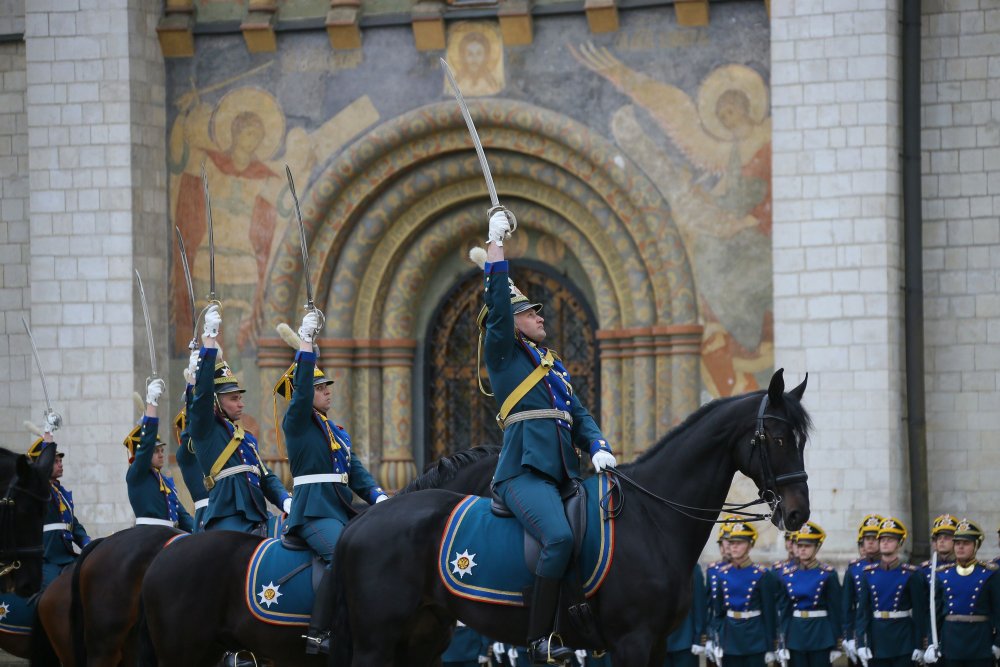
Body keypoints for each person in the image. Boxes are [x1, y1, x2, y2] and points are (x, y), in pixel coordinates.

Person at [477, 209, 616, 664]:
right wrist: (496, 246)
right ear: (514, 323)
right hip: (524, 472)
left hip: (562, 472)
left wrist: (597, 446)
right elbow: (496, 307)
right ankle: (540, 638)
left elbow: (577, 413)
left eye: (537, 311)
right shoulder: (502, 354)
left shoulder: (552, 365)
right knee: (557, 537)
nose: (539, 316)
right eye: (530, 312)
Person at [276, 311, 388, 654]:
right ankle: (318, 631)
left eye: (328, 387)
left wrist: (379, 497)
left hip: (340, 510)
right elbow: (302, 387)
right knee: (342, 555)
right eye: (320, 388)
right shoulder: (296, 423)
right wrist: (307, 344)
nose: (327, 393)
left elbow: (355, 472)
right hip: (313, 511)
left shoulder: (335, 432)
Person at [188, 304, 291, 534]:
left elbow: (265, 476)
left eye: (239, 398)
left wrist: (284, 500)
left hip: (258, 517)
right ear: (216, 402)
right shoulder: (205, 429)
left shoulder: (247, 440)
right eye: (233, 398)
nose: (240, 403)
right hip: (228, 518)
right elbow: (202, 394)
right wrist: (209, 345)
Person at [923, 519, 1000, 667]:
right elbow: (936, 613)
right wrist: (933, 642)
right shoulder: (942, 573)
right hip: (951, 641)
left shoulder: (989, 573)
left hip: (980, 641)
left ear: (976, 545)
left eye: (966, 543)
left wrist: (998, 642)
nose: (960, 547)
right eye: (957, 543)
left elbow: (998, 611)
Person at [855, 517, 928, 667]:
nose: (885, 543)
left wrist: (919, 644)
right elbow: (863, 611)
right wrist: (861, 643)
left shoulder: (911, 574)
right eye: (882, 539)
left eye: (890, 539)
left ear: (900, 543)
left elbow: (919, 612)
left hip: (903, 638)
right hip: (877, 638)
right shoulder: (868, 573)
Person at [124, 378, 194, 532]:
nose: (161, 455)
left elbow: (183, 516)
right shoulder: (137, 474)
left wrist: (203, 533)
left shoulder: (165, 482)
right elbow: (146, 445)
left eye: (162, 450)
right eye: (155, 451)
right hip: (147, 535)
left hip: (170, 534)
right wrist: (152, 404)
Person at [29, 416, 91, 589]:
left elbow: (72, 523)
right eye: (55, 461)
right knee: (49, 594)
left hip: (67, 555)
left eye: (60, 461)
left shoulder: (60, 492)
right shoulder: (38, 488)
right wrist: (48, 434)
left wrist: (86, 542)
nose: (60, 464)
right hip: (48, 557)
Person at [708, 521, 779, 667]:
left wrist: (771, 647)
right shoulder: (723, 574)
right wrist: (717, 640)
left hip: (755, 638)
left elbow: (769, 613)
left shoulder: (762, 575)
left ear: (750, 545)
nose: (733, 546)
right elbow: (719, 613)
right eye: (732, 542)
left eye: (739, 543)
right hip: (730, 639)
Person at [775, 522, 843, 667]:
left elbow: (835, 610)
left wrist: (837, 642)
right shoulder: (787, 575)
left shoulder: (828, 574)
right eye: (800, 545)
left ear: (816, 547)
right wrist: (782, 641)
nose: (803, 549)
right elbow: (785, 611)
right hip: (795, 634)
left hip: (821, 634)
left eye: (808, 546)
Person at [843, 514, 884, 665]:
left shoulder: (889, 568)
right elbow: (847, 607)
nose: (871, 542)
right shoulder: (854, 569)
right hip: (859, 629)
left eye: (874, 538)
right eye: (867, 539)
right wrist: (848, 637)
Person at [663, 564, 707, 667]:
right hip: (659, 640)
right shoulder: (653, 564)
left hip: (685, 639)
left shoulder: (691, 567)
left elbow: (699, 603)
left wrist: (699, 637)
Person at [704, 520, 734, 664]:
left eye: (731, 542)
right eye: (724, 543)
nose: (727, 547)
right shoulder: (713, 570)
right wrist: (708, 636)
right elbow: (708, 606)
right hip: (717, 629)